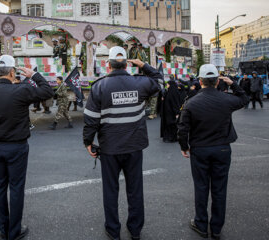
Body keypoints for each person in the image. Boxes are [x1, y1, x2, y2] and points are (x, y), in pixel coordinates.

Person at [83, 47, 161, 240]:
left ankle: (113, 229)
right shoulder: (141, 83)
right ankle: (135, 230)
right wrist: (144, 65)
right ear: (127, 64)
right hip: (134, 147)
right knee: (135, 190)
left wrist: (88, 141)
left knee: (111, 190)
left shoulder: (100, 86)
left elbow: (91, 118)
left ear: (108, 65)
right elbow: (160, 81)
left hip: (109, 148)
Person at [0, 55, 54, 240]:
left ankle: (3, 229)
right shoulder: (22, 90)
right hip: (17, 147)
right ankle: (14, 231)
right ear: (12, 72)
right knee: (16, 188)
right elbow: (47, 91)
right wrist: (34, 74)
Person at [177, 64, 249, 240]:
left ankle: (201, 224)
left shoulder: (191, 102)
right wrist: (233, 84)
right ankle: (216, 228)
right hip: (222, 148)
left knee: (201, 187)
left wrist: (184, 146)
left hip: (200, 149)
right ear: (217, 81)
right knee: (219, 188)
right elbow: (244, 99)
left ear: (200, 81)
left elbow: (182, 128)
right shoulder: (226, 100)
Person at [160, 78, 181, 143]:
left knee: (171, 125)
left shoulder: (174, 92)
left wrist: (177, 113)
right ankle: (168, 137)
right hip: (168, 111)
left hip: (172, 112)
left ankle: (172, 138)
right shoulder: (169, 91)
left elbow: (175, 103)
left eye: (168, 84)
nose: (167, 85)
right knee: (168, 124)